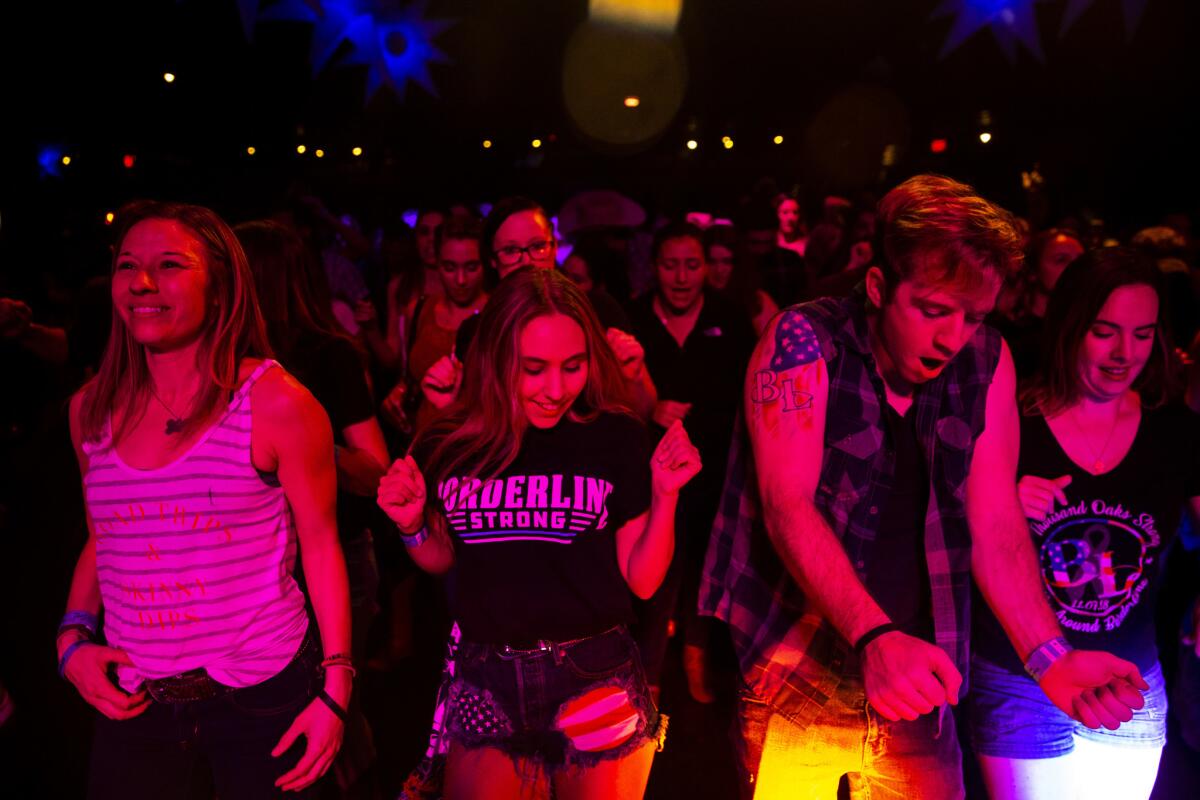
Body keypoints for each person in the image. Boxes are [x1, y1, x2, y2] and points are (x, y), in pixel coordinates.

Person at [698, 175, 1148, 799]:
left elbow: (994, 524)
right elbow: (787, 506)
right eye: (934, 310)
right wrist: (875, 637)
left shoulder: (987, 359)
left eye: (973, 316)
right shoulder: (804, 341)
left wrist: (1051, 657)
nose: (953, 337)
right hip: (796, 673)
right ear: (880, 287)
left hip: (921, 675)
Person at [57, 201, 352, 799]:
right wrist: (71, 639)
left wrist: (336, 691)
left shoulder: (274, 403)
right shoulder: (89, 409)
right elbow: (105, 537)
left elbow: (322, 546)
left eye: (169, 265)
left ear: (220, 288)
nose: (142, 282)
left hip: (262, 699)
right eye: (127, 265)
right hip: (138, 702)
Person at [377, 268, 701, 799]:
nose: (556, 389)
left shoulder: (614, 435)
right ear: (497, 359)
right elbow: (440, 558)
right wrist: (412, 525)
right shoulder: (449, 441)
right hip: (486, 678)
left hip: (594, 677)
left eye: (573, 367)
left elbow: (642, 582)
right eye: (534, 369)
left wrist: (665, 495)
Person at [969, 247, 1196, 800]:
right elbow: (948, 527)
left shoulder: (1171, 430)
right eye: (1105, 331)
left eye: (1143, 334)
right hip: (1020, 676)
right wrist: (998, 498)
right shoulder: (1011, 416)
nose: (1126, 353)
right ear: (1070, 324)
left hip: (1129, 680)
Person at [237, 219, 389, 795]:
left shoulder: (330, 355)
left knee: (336, 710)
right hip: (256, 566)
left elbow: (374, 469)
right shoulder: (219, 363)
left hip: (335, 551)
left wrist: (298, 442)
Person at [629, 221, 757, 702]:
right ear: (654, 267)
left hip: (714, 475)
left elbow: (747, 398)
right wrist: (650, 409)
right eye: (670, 265)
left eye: (691, 265)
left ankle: (696, 661)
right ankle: (650, 677)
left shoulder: (730, 316)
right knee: (654, 576)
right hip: (648, 475)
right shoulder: (634, 317)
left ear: (707, 267)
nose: (681, 277)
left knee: (708, 569)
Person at [450, 197, 657, 421]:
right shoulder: (476, 332)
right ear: (491, 259)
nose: (527, 261)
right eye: (511, 250)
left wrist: (633, 380)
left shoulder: (598, 310)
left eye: (538, 247)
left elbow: (644, 410)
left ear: (554, 248)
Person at [703, 223, 779, 334]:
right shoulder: (694, 303)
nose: (719, 270)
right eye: (712, 262)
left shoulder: (757, 301)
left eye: (727, 262)